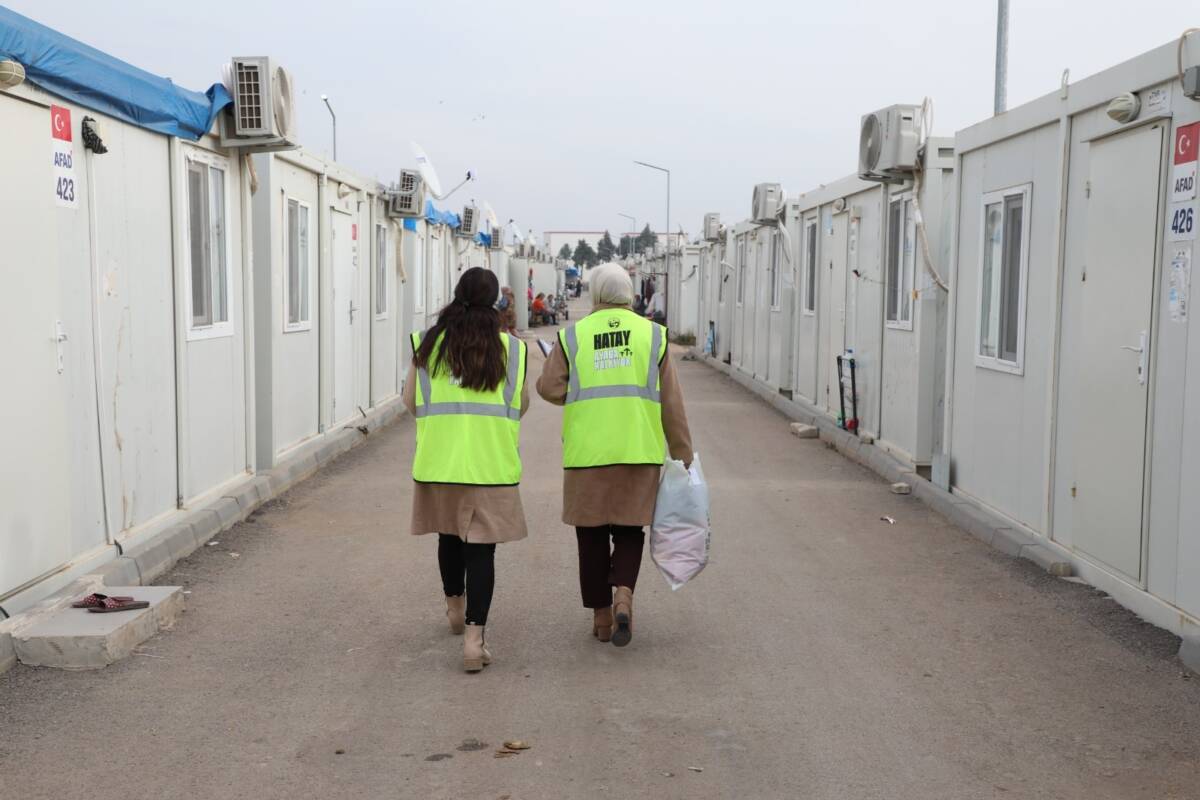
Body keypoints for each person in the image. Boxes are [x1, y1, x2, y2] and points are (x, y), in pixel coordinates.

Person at [536, 263, 692, 648]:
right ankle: (624, 593)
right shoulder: (654, 336)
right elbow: (671, 402)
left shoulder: (573, 336)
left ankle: (603, 619)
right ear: (630, 294)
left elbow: (549, 389)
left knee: (589, 536)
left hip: (587, 452)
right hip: (638, 451)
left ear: (595, 295)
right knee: (628, 530)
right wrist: (682, 453)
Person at [404, 267, 530, 673]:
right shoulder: (511, 349)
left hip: (440, 461)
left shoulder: (429, 344)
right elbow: (521, 405)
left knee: (449, 536)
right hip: (490, 463)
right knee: (481, 550)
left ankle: (454, 608)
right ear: (497, 302)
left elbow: (411, 401)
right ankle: (475, 641)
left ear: (456, 295)